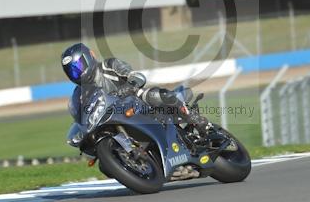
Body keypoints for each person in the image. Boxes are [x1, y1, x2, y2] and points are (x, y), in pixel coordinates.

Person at [61, 43, 209, 135]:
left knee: (156, 96)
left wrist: (127, 87)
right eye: (72, 71)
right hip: (114, 117)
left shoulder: (109, 65)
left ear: (89, 57)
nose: (77, 73)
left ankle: (194, 119)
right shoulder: (81, 93)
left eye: (78, 66)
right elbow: (81, 114)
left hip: (135, 100)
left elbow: (135, 76)